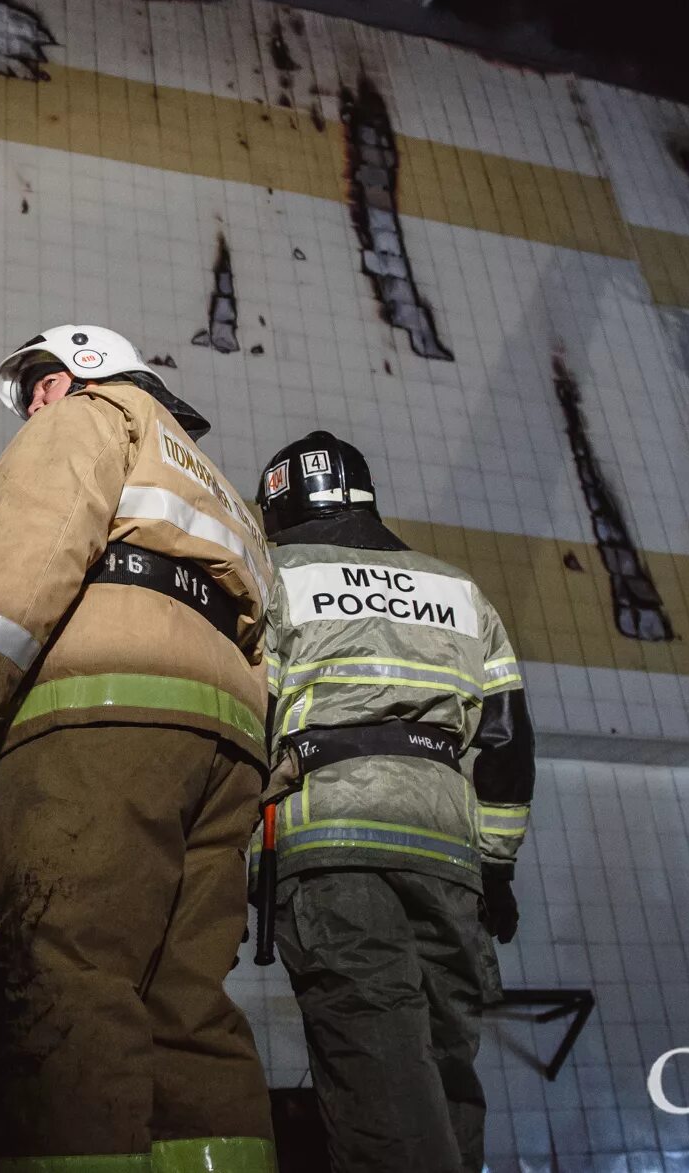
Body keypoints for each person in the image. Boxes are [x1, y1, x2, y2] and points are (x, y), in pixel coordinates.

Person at [0, 324, 277, 1172]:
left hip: (104, 710)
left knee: (55, 981)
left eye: (39, 385)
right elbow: (274, 640)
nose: (34, 407)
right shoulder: (222, 487)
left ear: (78, 372)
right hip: (224, 747)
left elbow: (35, 544)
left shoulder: (94, 416)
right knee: (186, 1012)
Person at [255, 431, 536, 1173]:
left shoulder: (272, 574)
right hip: (448, 851)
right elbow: (508, 744)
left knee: (374, 1055)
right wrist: (497, 867)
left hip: (332, 839)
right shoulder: (459, 589)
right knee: (448, 1057)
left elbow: (247, 716)